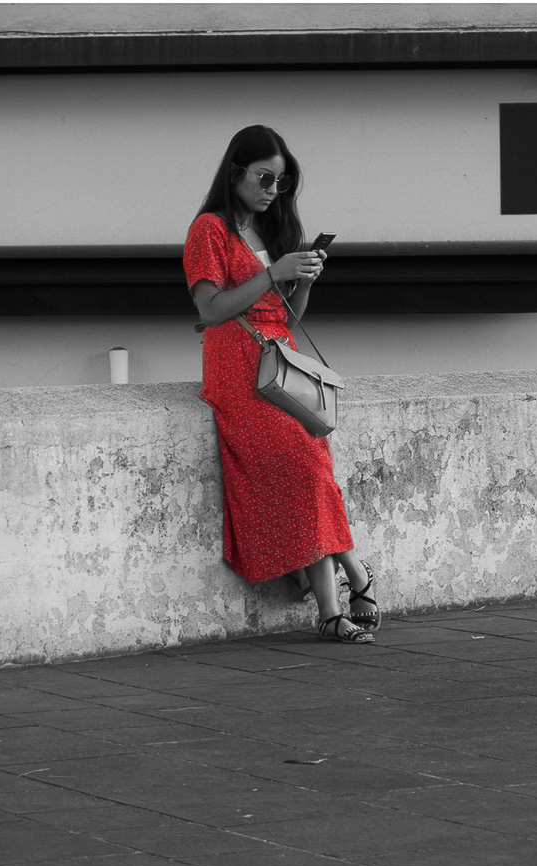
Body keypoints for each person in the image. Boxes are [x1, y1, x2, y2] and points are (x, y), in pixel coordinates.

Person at [184, 124, 382, 641]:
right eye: (264, 178)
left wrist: (304, 281)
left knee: (311, 464)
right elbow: (210, 309)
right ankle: (354, 582)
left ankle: (334, 606)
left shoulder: (268, 232)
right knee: (304, 460)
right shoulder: (210, 229)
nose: (273, 190)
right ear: (235, 174)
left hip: (280, 361)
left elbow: (287, 321)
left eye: (282, 182)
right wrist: (273, 273)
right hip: (235, 369)